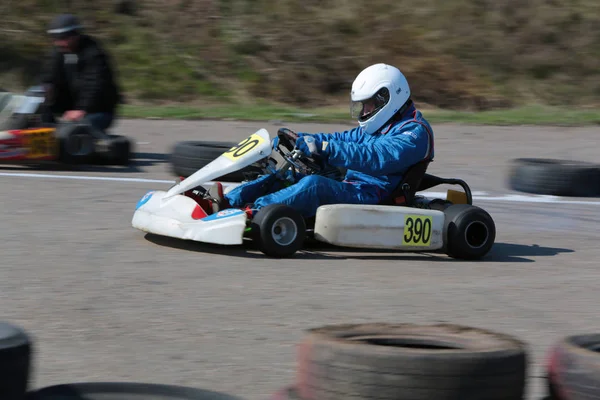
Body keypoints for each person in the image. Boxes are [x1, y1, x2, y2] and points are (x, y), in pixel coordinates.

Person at [208, 63, 435, 219]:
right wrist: (309, 140)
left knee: (314, 185)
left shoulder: (414, 132)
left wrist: (326, 148)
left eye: (368, 105)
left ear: (388, 98)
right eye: (362, 105)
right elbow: (341, 138)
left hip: (374, 195)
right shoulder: (379, 126)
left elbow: (377, 157)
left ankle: (253, 213)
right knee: (288, 173)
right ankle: (227, 201)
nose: (364, 111)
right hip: (353, 186)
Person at [38, 14, 121, 132]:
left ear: (75, 35)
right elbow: (48, 76)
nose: (59, 43)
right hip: (70, 108)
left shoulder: (93, 53)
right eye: (55, 38)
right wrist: (46, 89)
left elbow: (95, 84)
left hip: (97, 111)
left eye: (62, 38)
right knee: (37, 109)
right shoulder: (58, 53)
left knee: (74, 130)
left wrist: (82, 109)